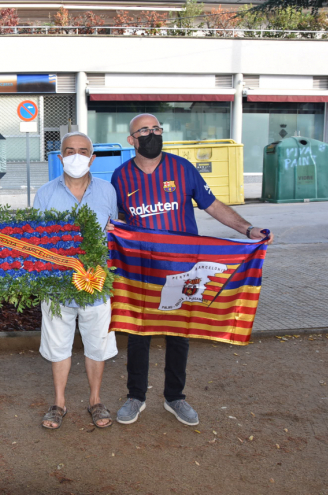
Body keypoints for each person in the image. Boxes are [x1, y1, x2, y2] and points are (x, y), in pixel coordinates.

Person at [110, 114, 273, 427]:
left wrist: (247, 229)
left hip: (183, 269)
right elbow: (116, 225)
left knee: (180, 333)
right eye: (144, 130)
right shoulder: (120, 177)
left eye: (157, 129)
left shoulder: (183, 169)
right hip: (143, 273)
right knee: (138, 333)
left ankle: (175, 397)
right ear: (132, 140)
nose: (152, 134)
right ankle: (136, 396)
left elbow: (212, 205)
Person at [33, 131, 118, 430]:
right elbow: (36, 240)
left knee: (98, 345)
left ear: (93, 158)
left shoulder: (108, 191)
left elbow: (115, 234)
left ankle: (95, 401)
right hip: (57, 287)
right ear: (60, 157)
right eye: (70, 151)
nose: (76, 156)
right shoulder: (45, 193)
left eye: (83, 151)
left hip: (96, 287)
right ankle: (59, 403)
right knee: (58, 347)